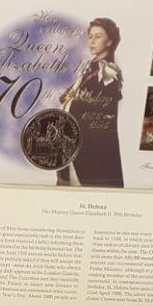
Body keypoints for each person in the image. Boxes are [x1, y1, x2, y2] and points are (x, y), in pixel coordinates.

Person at [56, 17, 124, 188]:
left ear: (109, 41)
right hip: (73, 140)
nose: (92, 41)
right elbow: (67, 97)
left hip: (90, 148)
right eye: (90, 36)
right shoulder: (91, 67)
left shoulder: (107, 71)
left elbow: (99, 114)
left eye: (98, 36)